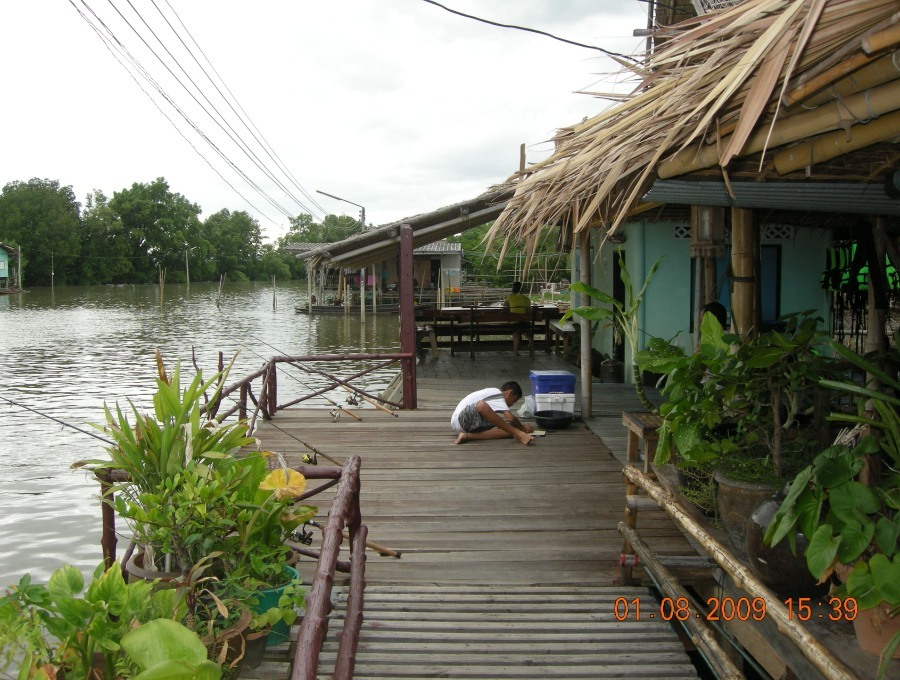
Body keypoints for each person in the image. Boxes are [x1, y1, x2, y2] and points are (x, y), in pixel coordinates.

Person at [451, 381, 534, 445]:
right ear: (510, 393)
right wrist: (522, 430)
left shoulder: (496, 399)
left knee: (506, 428)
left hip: (469, 424)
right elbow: (511, 418)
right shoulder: (497, 393)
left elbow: (508, 423)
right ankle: (518, 433)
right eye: (514, 401)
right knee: (482, 405)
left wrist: (520, 429)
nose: (512, 404)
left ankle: (467, 436)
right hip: (461, 419)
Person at [504, 281, 532, 356]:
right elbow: (529, 312)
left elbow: (505, 307)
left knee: (516, 331)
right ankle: (529, 338)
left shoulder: (509, 296)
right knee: (522, 327)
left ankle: (515, 351)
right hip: (524, 322)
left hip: (514, 322)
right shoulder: (526, 298)